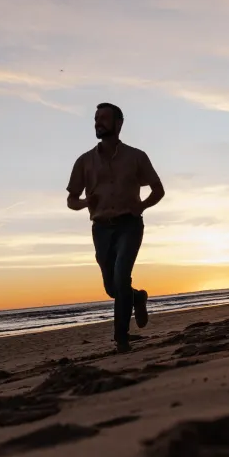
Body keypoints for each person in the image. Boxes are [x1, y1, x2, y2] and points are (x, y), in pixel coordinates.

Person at [66, 102, 165, 352]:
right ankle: (137, 297)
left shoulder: (136, 157)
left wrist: (141, 207)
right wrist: (86, 202)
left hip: (129, 225)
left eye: (104, 118)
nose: (98, 122)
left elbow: (158, 189)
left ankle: (121, 339)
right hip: (101, 229)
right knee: (112, 288)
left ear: (119, 123)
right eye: (96, 118)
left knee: (121, 276)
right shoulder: (84, 161)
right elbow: (71, 200)